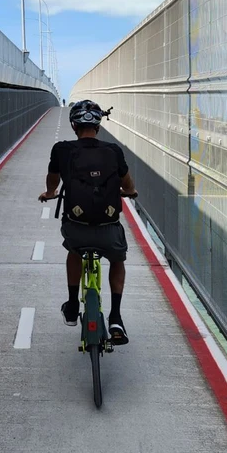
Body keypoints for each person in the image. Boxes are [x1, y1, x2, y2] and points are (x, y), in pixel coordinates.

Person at [37, 100, 137, 345]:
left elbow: (53, 181)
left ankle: (72, 305)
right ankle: (115, 317)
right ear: (98, 126)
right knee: (117, 259)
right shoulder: (113, 151)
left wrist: (50, 193)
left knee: (73, 251)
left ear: (74, 125)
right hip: (108, 231)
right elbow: (128, 184)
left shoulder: (61, 149)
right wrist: (130, 192)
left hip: (77, 229)